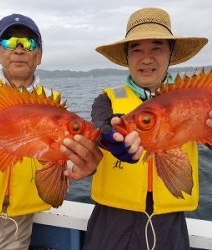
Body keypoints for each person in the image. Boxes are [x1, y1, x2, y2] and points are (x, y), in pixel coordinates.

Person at [0, 13, 102, 250]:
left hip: (18, 225)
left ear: (39, 56)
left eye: (28, 43)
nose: (18, 49)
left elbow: (61, 164)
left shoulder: (56, 104)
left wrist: (82, 167)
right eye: (8, 42)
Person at [83, 7, 211, 250]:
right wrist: (111, 138)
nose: (147, 58)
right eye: (136, 49)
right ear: (127, 56)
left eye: (157, 48)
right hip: (111, 222)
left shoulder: (196, 97)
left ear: (170, 53)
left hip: (170, 226)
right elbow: (100, 129)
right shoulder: (106, 100)